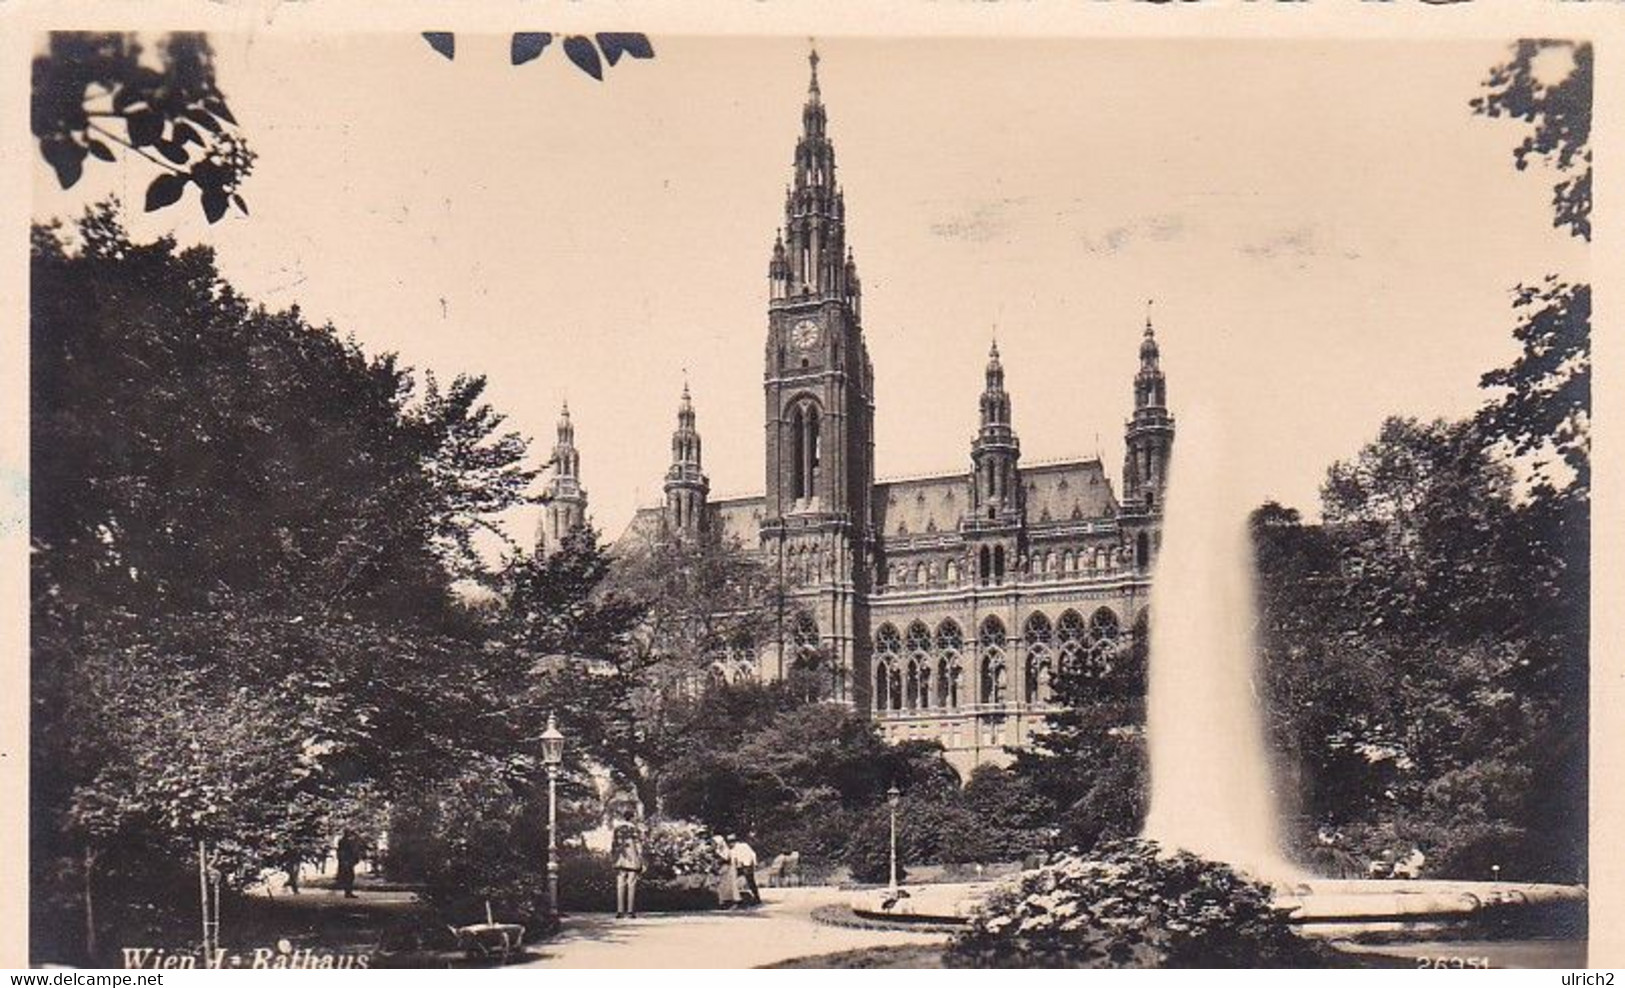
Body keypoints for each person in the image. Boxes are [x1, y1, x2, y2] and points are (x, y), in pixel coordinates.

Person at [611, 810, 645, 919]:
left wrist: (614, 857)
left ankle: (619, 911)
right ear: (632, 817)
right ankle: (630, 911)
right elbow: (639, 845)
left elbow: (613, 844)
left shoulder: (617, 828)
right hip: (633, 858)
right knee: (632, 884)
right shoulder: (635, 829)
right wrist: (641, 859)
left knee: (620, 884)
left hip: (621, 857)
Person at [730, 834, 760, 906]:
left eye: (731, 842)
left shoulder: (736, 848)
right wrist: (755, 863)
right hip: (746, 865)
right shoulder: (744, 845)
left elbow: (734, 860)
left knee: (748, 881)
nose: (730, 844)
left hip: (745, 865)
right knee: (751, 881)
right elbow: (753, 854)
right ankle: (756, 897)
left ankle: (754, 898)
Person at [713, 835, 740, 909]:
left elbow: (727, 859)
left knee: (731, 886)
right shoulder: (718, 850)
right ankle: (723, 903)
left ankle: (735, 902)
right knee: (722, 887)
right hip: (722, 870)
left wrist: (718, 857)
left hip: (729, 869)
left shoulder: (726, 849)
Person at [335, 830, 362, 899]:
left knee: (349, 877)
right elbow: (344, 852)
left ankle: (348, 892)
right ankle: (348, 892)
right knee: (349, 877)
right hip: (347, 861)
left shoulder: (344, 841)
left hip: (347, 861)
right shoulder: (345, 842)